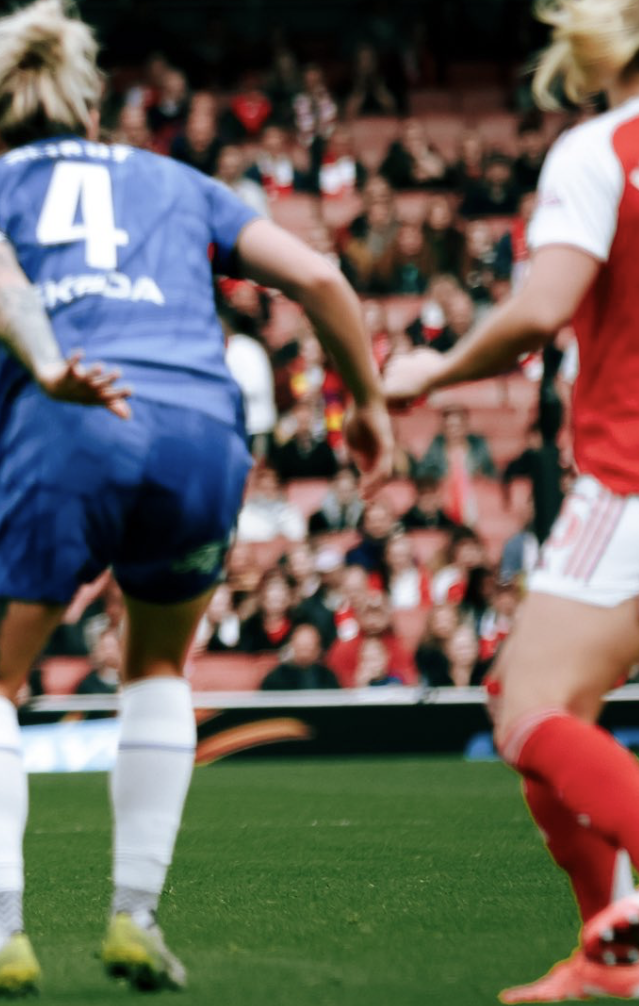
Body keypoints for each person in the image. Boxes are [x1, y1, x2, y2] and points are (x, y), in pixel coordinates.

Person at [0, 3, 390, 997]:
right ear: (94, 111)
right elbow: (317, 275)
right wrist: (367, 411)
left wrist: (48, 361)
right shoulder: (180, 181)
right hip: (199, 427)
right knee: (159, 661)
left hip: (72, 414)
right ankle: (134, 917)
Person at [381, 2, 639, 997]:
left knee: (526, 702)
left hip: (628, 476)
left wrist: (428, 373)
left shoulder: (597, 150)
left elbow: (537, 309)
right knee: (547, 706)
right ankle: (607, 962)